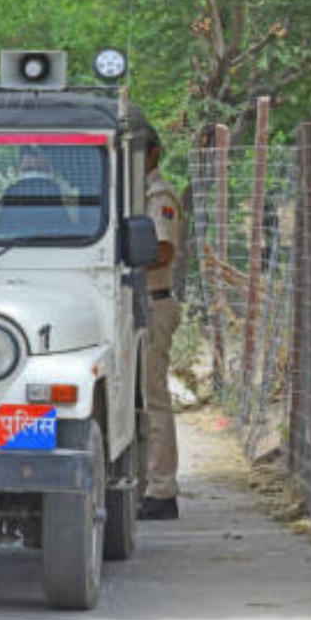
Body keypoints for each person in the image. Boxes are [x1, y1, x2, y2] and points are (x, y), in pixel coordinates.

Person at [139, 133, 184, 521]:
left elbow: (163, 250)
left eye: (140, 149)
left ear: (154, 151)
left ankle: (162, 490)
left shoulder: (158, 195)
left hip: (154, 303)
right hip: (137, 305)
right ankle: (144, 483)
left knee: (153, 397)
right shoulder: (131, 188)